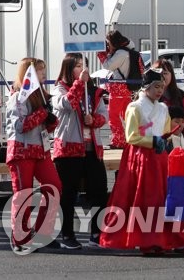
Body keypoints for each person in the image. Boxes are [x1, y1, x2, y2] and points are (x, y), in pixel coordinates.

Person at [100, 68, 184, 255]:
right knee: (147, 199)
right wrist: (153, 140)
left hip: (160, 156)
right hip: (141, 156)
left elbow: (166, 129)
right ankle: (148, 240)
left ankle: (166, 238)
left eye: (161, 86)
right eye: (156, 87)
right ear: (146, 87)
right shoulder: (134, 107)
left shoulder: (162, 108)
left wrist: (179, 129)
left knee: (164, 198)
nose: (160, 91)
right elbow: (131, 136)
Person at [51, 53, 108, 251]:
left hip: (92, 149)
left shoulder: (95, 92)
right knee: (68, 195)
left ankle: (97, 232)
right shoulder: (59, 88)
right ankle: (67, 233)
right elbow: (66, 104)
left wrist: (95, 120)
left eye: (84, 65)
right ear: (68, 68)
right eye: (77, 66)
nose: (82, 69)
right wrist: (78, 85)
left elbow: (103, 116)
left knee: (99, 192)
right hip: (68, 149)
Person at [5, 58, 62, 253]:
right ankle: (20, 236)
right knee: (23, 195)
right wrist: (42, 114)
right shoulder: (18, 97)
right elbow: (20, 126)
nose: (43, 73)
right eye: (39, 70)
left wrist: (51, 120)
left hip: (40, 149)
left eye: (43, 70)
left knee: (54, 187)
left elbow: (42, 126)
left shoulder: (41, 97)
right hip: (22, 151)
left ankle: (44, 233)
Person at [97, 29, 141, 149]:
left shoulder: (121, 53)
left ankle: (119, 141)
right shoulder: (129, 51)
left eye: (108, 43)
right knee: (126, 116)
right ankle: (127, 139)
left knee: (114, 117)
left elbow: (108, 65)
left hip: (118, 89)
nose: (107, 45)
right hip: (127, 88)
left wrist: (101, 52)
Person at [155, 59, 184, 158]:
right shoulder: (147, 96)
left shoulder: (182, 96)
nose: (162, 76)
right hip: (155, 141)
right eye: (159, 73)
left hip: (179, 140)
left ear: (172, 75)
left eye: (165, 73)